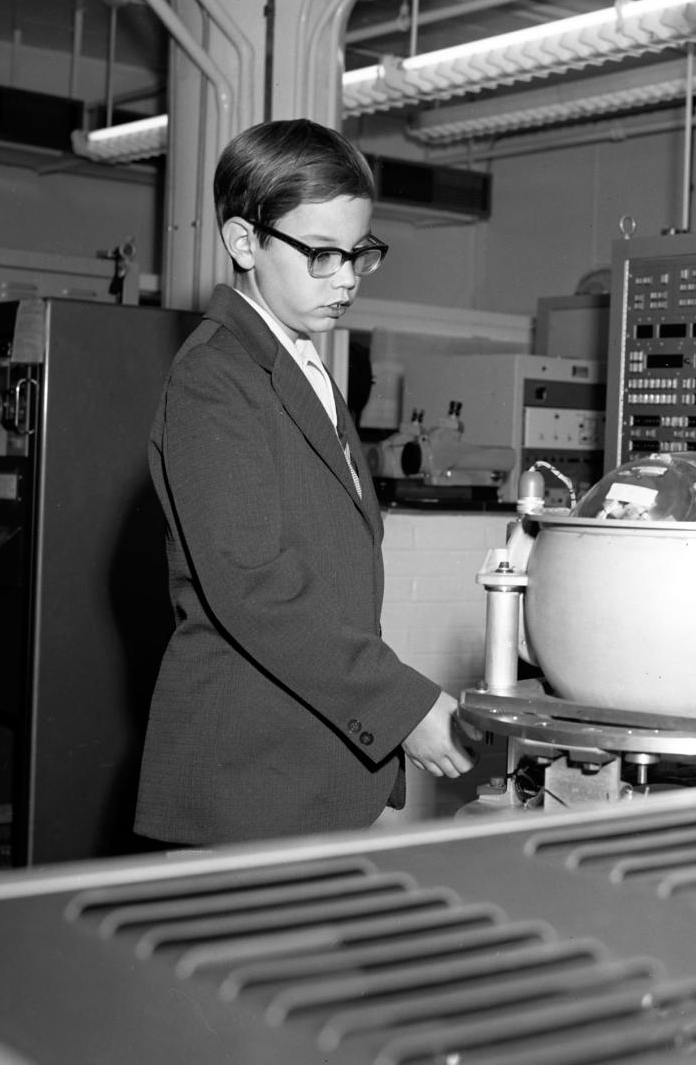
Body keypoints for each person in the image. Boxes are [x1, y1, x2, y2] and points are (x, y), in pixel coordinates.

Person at [134, 118, 475, 847]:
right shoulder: (215, 379)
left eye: (360, 253)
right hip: (250, 781)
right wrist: (403, 708)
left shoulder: (300, 361)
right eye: (321, 254)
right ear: (243, 242)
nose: (346, 277)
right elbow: (255, 585)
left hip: (304, 769)